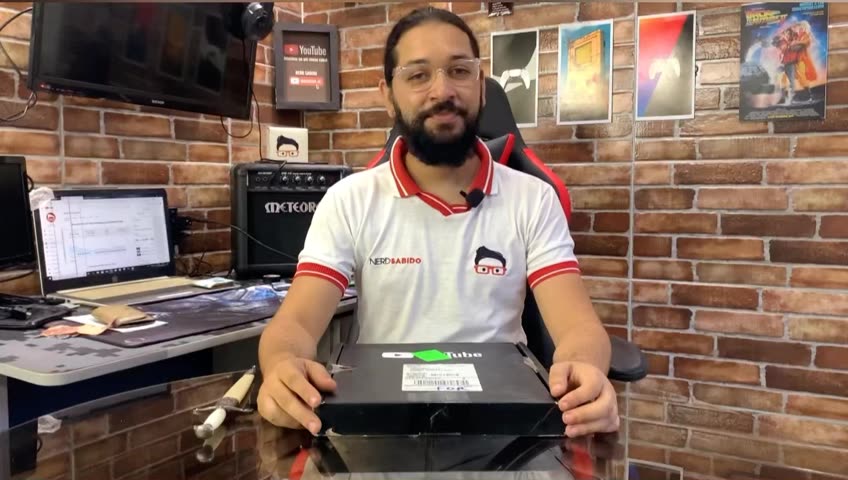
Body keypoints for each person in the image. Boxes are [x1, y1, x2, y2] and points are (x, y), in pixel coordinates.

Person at [256, 7, 618, 439]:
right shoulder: (348, 200)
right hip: (381, 432)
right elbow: (295, 324)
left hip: (506, 432)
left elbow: (578, 328)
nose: (442, 90)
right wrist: (281, 365)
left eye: (459, 71)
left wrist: (586, 369)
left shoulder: (533, 199)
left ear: (480, 86)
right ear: (387, 95)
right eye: (418, 75)